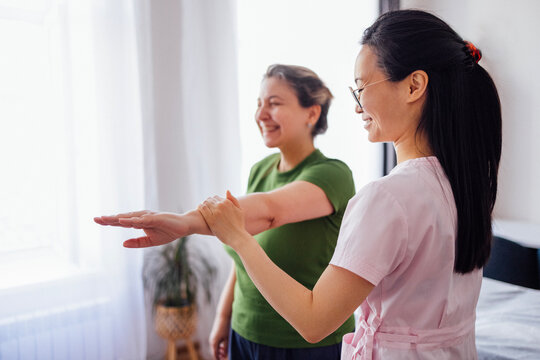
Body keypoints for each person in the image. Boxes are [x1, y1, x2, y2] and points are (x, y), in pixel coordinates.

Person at [197, 10, 502, 359]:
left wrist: (238, 237)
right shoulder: (461, 184)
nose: (357, 107)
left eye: (361, 88)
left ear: (414, 86)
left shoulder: (387, 197)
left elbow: (314, 321)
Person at [95, 64, 356, 359]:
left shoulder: (333, 174)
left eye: (274, 103)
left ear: (312, 113)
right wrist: (223, 316)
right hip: (244, 332)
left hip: (305, 346)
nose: (260, 115)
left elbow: (270, 211)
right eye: (259, 104)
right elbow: (244, 252)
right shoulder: (262, 170)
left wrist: (184, 223)